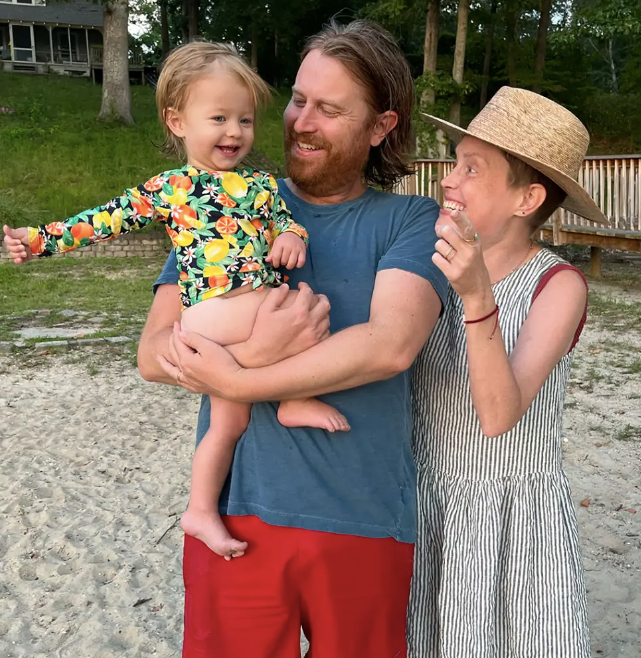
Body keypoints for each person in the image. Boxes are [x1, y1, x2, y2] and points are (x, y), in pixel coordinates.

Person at [139, 20, 448, 658]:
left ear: (381, 127)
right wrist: (256, 356)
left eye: (331, 110)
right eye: (299, 100)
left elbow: (390, 345)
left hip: (361, 516)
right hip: (238, 514)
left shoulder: (410, 220)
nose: (302, 122)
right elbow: (154, 354)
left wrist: (239, 381)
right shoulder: (220, 204)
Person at [2, 40, 351, 562]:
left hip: (241, 312)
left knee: (226, 423)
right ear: (177, 121)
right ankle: (291, 399)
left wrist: (292, 237)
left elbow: (285, 221)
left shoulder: (259, 185)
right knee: (300, 310)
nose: (234, 132)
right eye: (218, 118)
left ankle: (200, 509)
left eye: (245, 120)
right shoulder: (170, 188)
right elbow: (103, 220)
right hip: (212, 312)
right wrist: (39, 240)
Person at [407, 87, 607, 657]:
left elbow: (498, 415)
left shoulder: (557, 285)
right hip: (428, 503)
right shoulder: (422, 262)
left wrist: (474, 295)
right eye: (454, 162)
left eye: (472, 169)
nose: (449, 180)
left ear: (528, 199)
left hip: (512, 517)